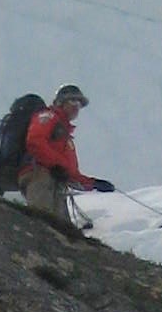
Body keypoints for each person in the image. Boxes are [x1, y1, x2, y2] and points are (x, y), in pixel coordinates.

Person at [19, 84, 115, 226]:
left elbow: (70, 172)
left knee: (59, 227)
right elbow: (35, 141)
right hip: (39, 175)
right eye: (72, 101)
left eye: (79, 103)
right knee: (42, 223)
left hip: (53, 180)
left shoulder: (65, 136)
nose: (77, 106)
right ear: (61, 102)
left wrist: (93, 184)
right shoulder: (48, 116)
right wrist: (56, 165)